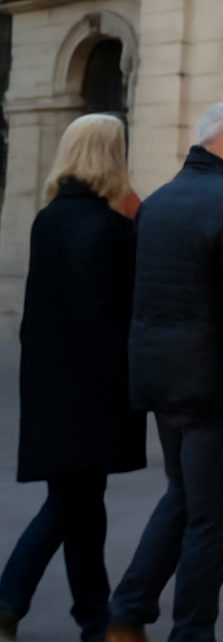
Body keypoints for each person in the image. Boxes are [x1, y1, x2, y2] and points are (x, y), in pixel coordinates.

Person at [107, 103, 223, 642]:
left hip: (163, 381)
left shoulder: (157, 202)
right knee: (209, 519)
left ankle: (127, 613)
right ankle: (191, 632)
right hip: (215, 388)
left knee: (183, 497)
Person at [0, 116, 144, 642]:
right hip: (92, 395)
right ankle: (7, 599)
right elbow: (109, 317)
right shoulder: (111, 228)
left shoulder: (48, 219)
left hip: (50, 387)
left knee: (82, 503)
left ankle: (94, 619)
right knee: (72, 504)